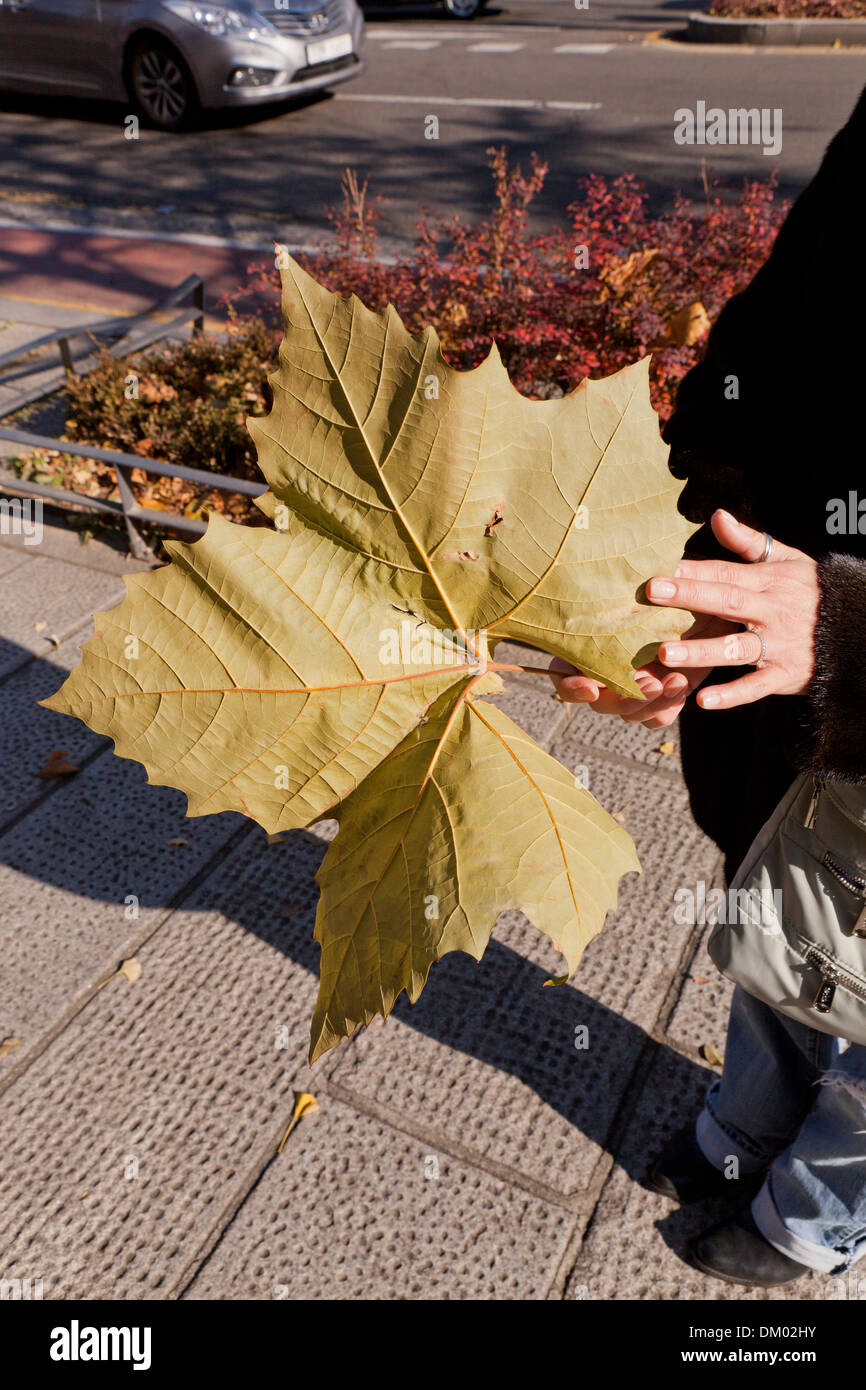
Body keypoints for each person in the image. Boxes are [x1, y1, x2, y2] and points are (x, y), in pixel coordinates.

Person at [550, 83, 866, 1287]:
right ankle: (744, 1131)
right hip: (778, 708)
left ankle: (813, 1217)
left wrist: (845, 633)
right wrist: (679, 579)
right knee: (771, 920)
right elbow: (764, 349)